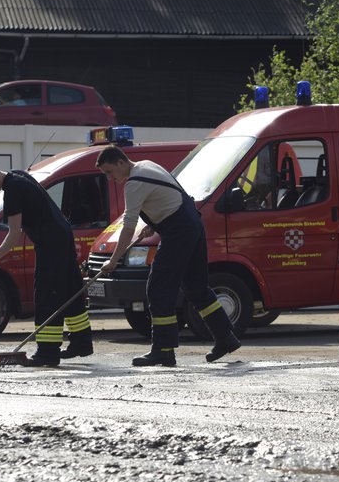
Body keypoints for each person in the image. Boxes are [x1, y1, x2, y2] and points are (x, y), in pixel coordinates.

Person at [96, 145, 240, 366]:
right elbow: (167, 196)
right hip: (192, 222)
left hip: (178, 230)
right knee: (196, 287)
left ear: (120, 163)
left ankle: (163, 349)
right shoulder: (147, 165)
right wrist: (154, 224)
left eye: (109, 172)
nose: (109, 178)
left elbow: (127, 227)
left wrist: (113, 261)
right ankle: (226, 338)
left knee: (158, 288)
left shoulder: (133, 183)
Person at [0, 161, 92, 366]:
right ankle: (81, 342)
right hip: (63, 236)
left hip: (51, 244)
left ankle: (47, 352)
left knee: (47, 294)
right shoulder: (18, 175)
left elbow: (14, 234)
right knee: (71, 290)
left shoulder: (12, 191)